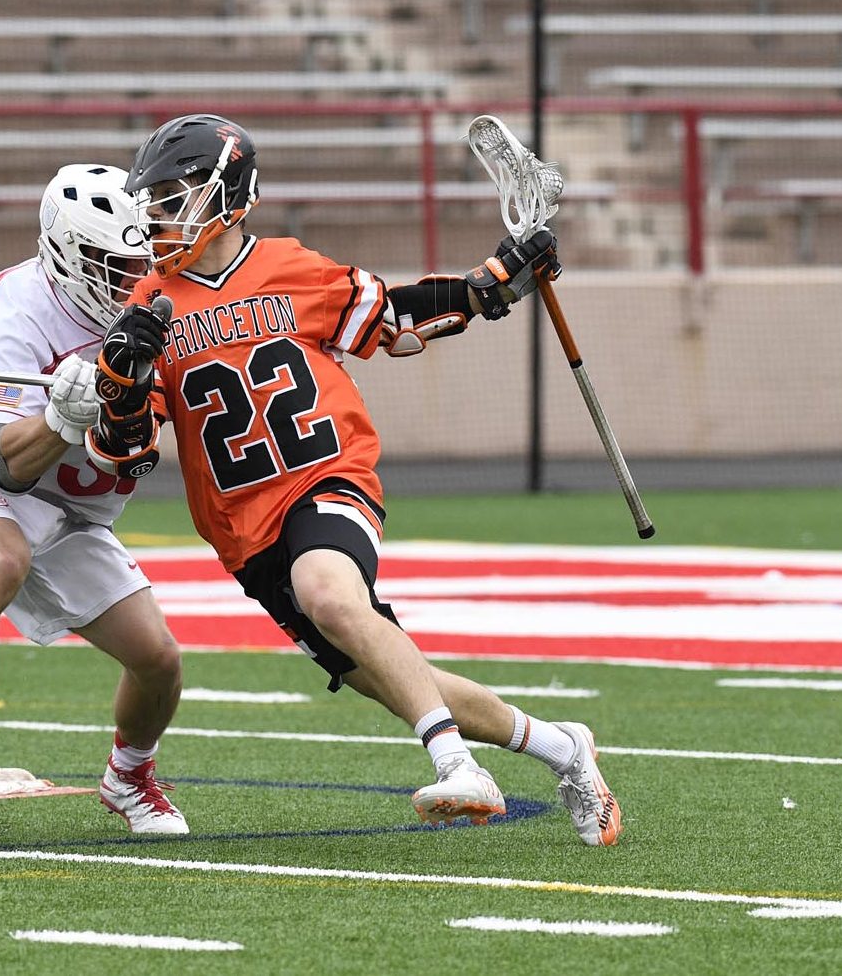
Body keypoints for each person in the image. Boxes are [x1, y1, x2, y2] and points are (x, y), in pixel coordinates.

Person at [85, 114, 621, 845]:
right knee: (386, 669)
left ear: (228, 195)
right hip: (245, 532)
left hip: (328, 478)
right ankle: (565, 749)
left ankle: (458, 766)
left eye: (175, 194)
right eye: (154, 199)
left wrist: (493, 284)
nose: (158, 213)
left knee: (329, 593)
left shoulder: (290, 267)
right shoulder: (146, 307)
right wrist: (118, 382)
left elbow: (392, 323)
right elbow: (127, 453)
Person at [0, 163, 188, 834]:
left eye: (139, 260)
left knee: (158, 659)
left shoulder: (164, 303)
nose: (131, 277)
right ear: (65, 251)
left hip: (70, 509)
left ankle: (130, 778)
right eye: (112, 263)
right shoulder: (9, 317)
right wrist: (63, 417)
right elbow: (6, 465)